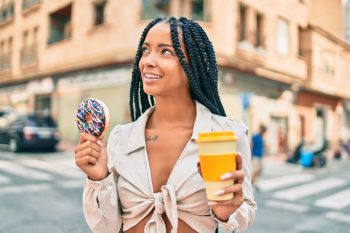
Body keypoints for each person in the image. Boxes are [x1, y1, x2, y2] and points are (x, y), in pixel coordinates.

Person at [74, 17, 256, 233]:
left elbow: (240, 223)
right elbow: (107, 228)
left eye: (166, 51)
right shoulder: (121, 137)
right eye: (145, 50)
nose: (148, 61)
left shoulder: (226, 134)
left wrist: (226, 214)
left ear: (193, 66)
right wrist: (98, 178)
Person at [251, 124, 267, 190]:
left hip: (260, 156)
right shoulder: (255, 137)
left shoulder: (261, 137)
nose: (264, 132)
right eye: (263, 131)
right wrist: (251, 155)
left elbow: (262, 147)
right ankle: (255, 184)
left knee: (260, 169)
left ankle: (252, 181)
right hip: (255, 156)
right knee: (255, 170)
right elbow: (251, 145)